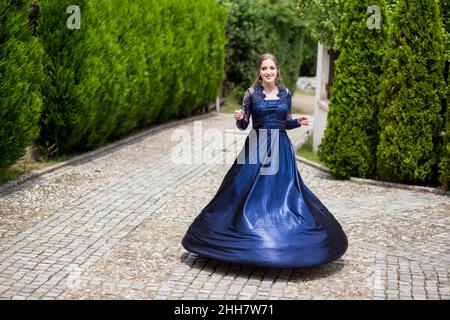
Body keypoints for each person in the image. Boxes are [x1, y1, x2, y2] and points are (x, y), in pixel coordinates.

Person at [182, 53, 348, 268]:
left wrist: (298, 121)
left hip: (280, 148)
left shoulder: (286, 94)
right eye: (264, 69)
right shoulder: (251, 94)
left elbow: (285, 122)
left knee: (282, 192)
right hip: (256, 146)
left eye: (271, 68)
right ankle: (233, 238)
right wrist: (240, 118)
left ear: (277, 71)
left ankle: (287, 239)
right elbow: (244, 126)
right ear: (259, 73)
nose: (268, 72)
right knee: (240, 189)